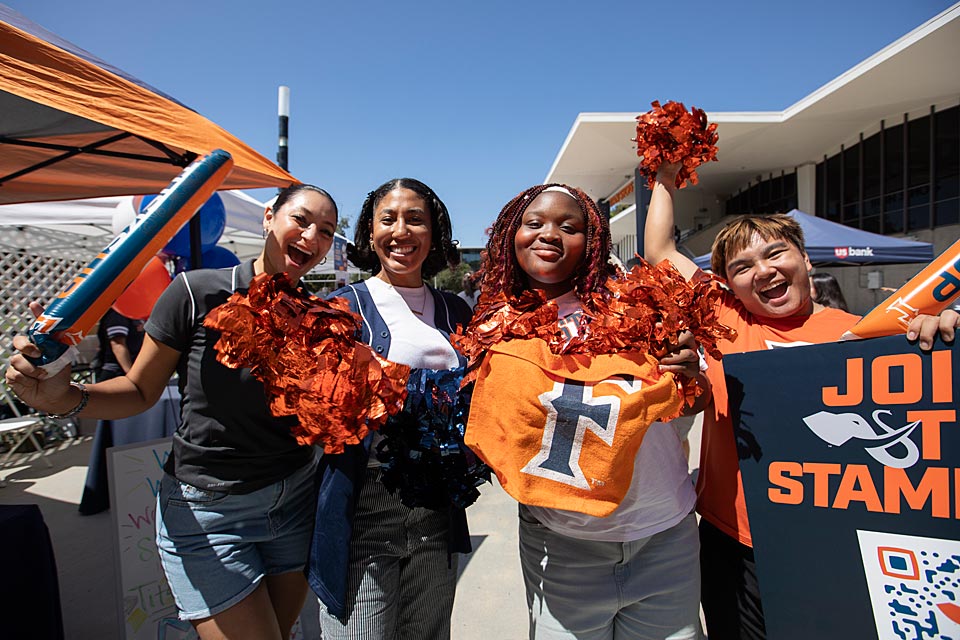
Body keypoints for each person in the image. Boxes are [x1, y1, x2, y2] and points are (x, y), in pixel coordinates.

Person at [6, 183, 339, 640]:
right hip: (209, 512)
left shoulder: (319, 318)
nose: (311, 237)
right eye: (301, 220)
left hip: (296, 503)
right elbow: (140, 389)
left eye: (325, 230)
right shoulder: (197, 291)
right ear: (269, 217)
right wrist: (67, 398)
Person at [644, 161, 958, 640]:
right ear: (727, 284)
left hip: (834, 538)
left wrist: (939, 338)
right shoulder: (727, 323)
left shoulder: (865, 335)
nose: (763, 271)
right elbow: (661, 250)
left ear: (806, 260)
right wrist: (665, 179)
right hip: (736, 543)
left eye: (775, 255)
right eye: (742, 267)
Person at [463, 183, 710, 640]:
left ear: (592, 239)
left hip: (664, 536)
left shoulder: (643, 306)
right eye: (533, 223)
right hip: (561, 545)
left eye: (568, 226)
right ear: (509, 235)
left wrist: (693, 378)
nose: (548, 234)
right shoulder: (490, 326)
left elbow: (697, 401)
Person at [310, 178, 472, 639]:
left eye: (415, 219)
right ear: (369, 232)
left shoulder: (457, 311)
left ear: (434, 233)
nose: (402, 231)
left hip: (436, 508)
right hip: (365, 502)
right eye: (389, 219)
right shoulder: (341, 309)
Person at [95, 307, 145, 380]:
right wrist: (131, 375)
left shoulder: (135, 313)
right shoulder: (117, 314)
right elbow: (118, 345)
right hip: (116, 372)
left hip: (135, 368)